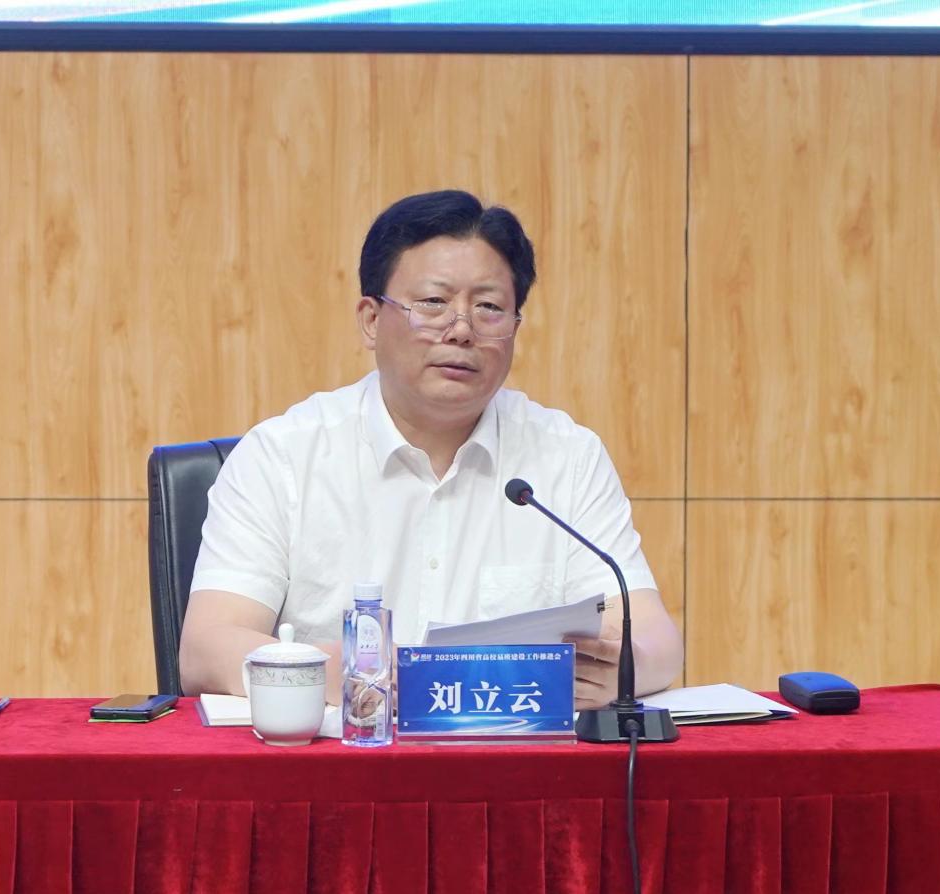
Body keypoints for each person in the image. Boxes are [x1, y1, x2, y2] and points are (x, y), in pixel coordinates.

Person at [179, 190, 683, 710]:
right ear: (372, 320)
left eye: (489, 308)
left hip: (516, 754)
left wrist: (623, 671)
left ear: (515, 327)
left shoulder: (566, 458)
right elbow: (206, 650)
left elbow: (655, 641)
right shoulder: (282, 456)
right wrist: (364, 676)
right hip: (343, 752)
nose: (461, 330)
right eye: (433, 304)